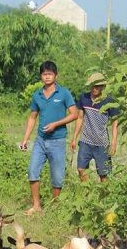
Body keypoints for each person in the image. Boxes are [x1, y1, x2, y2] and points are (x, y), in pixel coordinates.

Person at [18, 61, 78, 214]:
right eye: (44, 74)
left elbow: (74, 114)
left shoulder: (63, 93)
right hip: (40, 140)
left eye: (50, 74)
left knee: (57, 177)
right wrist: (25, 139)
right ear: (41, 76)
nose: (47, 76)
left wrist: (56, 124)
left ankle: (55, 206)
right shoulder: (37, 95)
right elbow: (32, 117)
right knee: (32, 171)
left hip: (57, 141)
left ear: (55, 75)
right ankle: (36, 205)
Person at [70, 72, 119, 182]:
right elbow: (80, 118)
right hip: (85, 141)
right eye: (92, 86)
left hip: (101, 143)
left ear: (102, 86)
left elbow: (115, 121)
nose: (94, 88)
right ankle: (88, 192)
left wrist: (114, 141)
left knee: (103, 175)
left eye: (97, 86)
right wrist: (74, 138)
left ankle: (103, 198)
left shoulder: (109, 101)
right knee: (81, 169)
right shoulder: (84, 98)